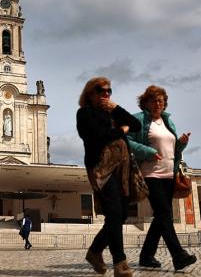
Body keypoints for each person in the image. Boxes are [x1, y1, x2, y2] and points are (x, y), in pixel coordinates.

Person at [127, 85, 197, 271]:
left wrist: (181, 144)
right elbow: (127, 140)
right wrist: (147, 151)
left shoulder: (168, 122)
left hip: (169, 174)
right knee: (165, 214)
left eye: (161, 100)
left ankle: (146, 256)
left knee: (161, 217)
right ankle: (178, 255)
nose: (158, 103)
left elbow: (172, 150)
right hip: (151, 174)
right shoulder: (138, 119)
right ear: (146, 103)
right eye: (153, 100)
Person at [77, 77, 141, 277]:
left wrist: (116, 107)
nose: (106, 94)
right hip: (101, 169)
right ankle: (120, 263)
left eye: (109, 91)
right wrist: (120, 131)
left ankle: (95, 251)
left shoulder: (112, 112)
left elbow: (136, 125)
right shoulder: (85, 113)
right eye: (101, 90)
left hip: (122, 170)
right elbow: (95, 136)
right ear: (90, 93)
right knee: (114, 213)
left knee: (120, 215)